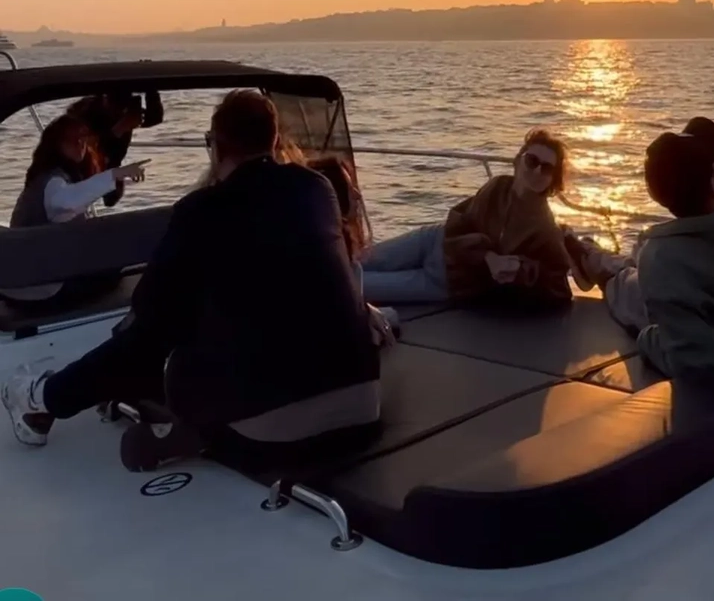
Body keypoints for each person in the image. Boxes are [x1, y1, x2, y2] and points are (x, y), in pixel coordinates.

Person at [2, 88, 380, 458]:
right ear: (275, 138)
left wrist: (59, 392)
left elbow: (147, 326)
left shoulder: (201, 211)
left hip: (269, 432)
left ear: (214, 146)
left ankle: (41, 399)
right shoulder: (317, 188)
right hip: (362, 407)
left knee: (164, 347)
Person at [566, 117, 714, 383]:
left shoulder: (664, 262)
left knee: (627, 285)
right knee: (635, 266)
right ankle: (595, 258)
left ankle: (593, 262)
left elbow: (696, 363)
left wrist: (647, 338)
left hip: (681, 305)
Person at [362, 129, 572, 307]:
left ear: (552, 180)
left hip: (448, 282)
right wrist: (487, 255)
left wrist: (520, 269)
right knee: (356, 261)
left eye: (547, 168)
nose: (537, 170)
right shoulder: (498, 186)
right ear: (518, 161)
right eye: (532, 161)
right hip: (434, 240)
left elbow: (558, 287)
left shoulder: (544, 228)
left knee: (356, 285)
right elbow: (458, 221)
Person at [3, 114, 146, 305]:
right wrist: (116, 174)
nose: (80, 144)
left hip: (35, 276)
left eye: (82, 139)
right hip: (40, 287)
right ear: (56, 145)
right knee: (120, 261)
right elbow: (67, 201)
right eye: (72, 140)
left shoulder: (52, 176)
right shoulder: (52, 181)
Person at [310, 154, 398, 346]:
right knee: (391, 316)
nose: (357, 195)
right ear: (336, 196)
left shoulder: (317, 239)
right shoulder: (335, 248)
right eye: (350, 189)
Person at [67, 90, 164, 207]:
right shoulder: (115, 154)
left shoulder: (87, 112)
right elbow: (154, 118)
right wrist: (151, 92)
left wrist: (122, 125)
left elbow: (89, 145)